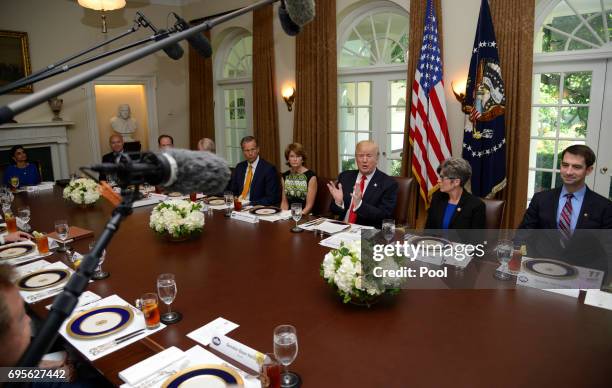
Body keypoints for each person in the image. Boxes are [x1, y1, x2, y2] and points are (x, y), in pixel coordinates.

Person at [517, 145, 612, 274]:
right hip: (540, 269)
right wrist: (526, 262)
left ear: (589, 170)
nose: (568, 172)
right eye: (565, 165)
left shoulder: (604, 207)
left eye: (576, 167)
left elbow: (608, 248)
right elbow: (523, 236)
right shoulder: (541, 199)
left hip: (581, 275)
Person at [327, 140, 397, 228]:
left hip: (366, 234)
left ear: (377, 158)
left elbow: (384, 217)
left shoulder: (388, 184)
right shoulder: (345, 177)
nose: (364, 160)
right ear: (356, 158)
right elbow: (334, 211)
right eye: (360, 156)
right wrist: (339, 202)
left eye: (369, 156)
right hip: (342, 228)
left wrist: (360, 205)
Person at [425, 157, 486, 229]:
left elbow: (476, 239)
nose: (438, 180)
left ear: (456, 182)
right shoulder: (437, 197)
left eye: (442, 177)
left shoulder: (476, 206)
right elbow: (428, 230)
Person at [228, 136, 280, 206]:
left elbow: (272, 198)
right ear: (243, 151)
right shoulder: (239, 167)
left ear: (258, 149)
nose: (250, 153)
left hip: (257, 208)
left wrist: (250, 203)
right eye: (247, 150)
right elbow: (233, 191)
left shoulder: (269, 169)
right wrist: (235, 198)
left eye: (253, 149)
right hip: (238, 207)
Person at [280, 143, 317, 215]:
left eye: (298, 156)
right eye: (292, 156)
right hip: (289, 215)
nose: (295, 159)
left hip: (305, 215)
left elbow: (309, 206)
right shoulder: (284, 176)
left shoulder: (311, 177)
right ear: (288, 159)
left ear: (302, 159)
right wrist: (282, 216)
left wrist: (297, 217)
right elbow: (284, 203)